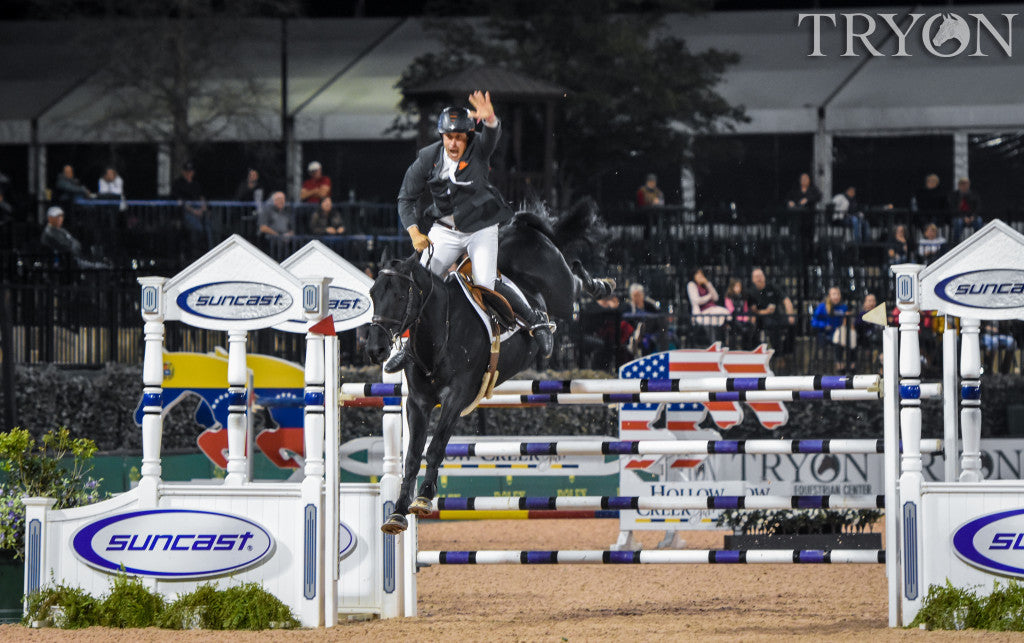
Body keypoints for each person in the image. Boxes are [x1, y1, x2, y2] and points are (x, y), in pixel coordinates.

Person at [389, 91, 551, 372]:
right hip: (445, 231)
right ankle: (408, 347)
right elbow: (405, 198)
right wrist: (415, 232)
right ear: (441, 136)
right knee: (418, 285)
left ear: (468, 137)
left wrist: (489, 119)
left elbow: (492, 134)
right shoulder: (428, 158)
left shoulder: (479, 148)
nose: (453, 143)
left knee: (485, 283)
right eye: (448, 137)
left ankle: (536, 320)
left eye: (460, 137)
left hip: (480, 228)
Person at [750, 268, 796, 369]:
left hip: (776, 316)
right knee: (771, 326)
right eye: (756, 277)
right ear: (753, 279)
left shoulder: (772, 287)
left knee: (793, 324)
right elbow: (753, 310)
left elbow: (786, 300)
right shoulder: (751, 292)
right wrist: (766, 311)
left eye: (761, 276)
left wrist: (790, 315)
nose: (759, 279)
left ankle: (787, 351)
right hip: (761, 319)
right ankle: (778, 355)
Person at [39, 206, 108, 269]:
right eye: (57, 217)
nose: (60, 219)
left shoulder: (61, 230)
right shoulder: (49, 232)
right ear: (50, 218)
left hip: (74, 258)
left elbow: (74, 242)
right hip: (65, 261)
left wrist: (73, 246)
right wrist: (72, 247)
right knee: (98, 267)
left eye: (61, 216)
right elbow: (64, 246)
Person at [171, 161, 211, 252]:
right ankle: (196, 252)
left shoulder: (196, 184)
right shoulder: (178, 184)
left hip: (198, 210)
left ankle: (210, 250)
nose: (189, 173)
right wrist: (194, 211)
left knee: (208, 226)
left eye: (191, 171)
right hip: (186, 213)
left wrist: (203, 208)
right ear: (183, 172)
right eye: (187, 171)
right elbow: (180, 201)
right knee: (197, 228)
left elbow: (201, 197)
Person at [810, 286, 849, 373]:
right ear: (829, 296)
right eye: (834, 294)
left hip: (839, 334)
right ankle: (839, 366)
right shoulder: (822, 307)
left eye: (838, 294)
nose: (836, 296)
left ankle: (843, 365)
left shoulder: (843, 307)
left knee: (843, 338)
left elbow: (846, 322)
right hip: (824, 334)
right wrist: (825, 325)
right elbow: (813, 322)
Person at [785, 172, 820, 248]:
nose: (804, 180)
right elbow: (787, 198)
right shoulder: (795, 190)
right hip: (797, 219)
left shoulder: (813, 190)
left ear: (809, 180)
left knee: (809, 239)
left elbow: (818, 196)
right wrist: (790, 202)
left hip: (809, 219)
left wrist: (807, 199)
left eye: (806, 179)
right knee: (797, 238)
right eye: (802, 179)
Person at [723, 278, 757, 349]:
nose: (738, 289)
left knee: (750, 327)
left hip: (742, 319)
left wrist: (744, 319)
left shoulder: (743, 297)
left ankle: (747, 348)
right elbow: (731, 310)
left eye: (739, 287)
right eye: (736, 286)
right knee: (736, 330)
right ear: (732, 287)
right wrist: (739, 318)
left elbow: (745, 309)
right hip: (732, 319)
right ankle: (733, 349)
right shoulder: (728, 297)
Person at [854, 292, 883, 372]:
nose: (871, 303)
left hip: (879, 340)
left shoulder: (879, 313)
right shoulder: (861, 314)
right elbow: (857, 325)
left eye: (873, 301)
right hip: (866, 340)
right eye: (869, 301)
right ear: (865, 303)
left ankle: (881, 364)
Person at [949, 176, 982, 242]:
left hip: (972, 216)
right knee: (958, 222)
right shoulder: (954, 195)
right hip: (959, 216)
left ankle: (978, 241)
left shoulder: (974, 194)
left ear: (969, 185)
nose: (964, 186)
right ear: (959, 185)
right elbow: (953, 208)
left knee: (979, 220)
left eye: (966, 184)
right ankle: (956, 243)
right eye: (962, 184)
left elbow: (978, 207)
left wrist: (973, 216)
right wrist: (963, 217)